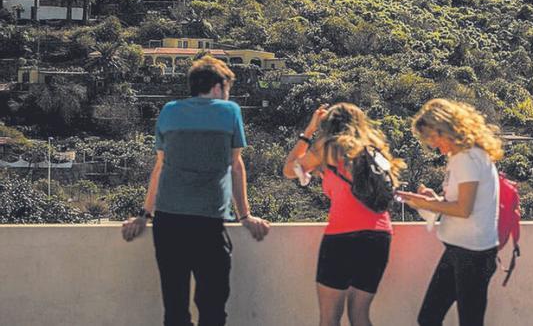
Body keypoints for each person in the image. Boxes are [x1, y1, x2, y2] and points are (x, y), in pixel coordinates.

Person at [121, 55, 271, 326]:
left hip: (168, 220)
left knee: (175, 308)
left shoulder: (169, 111)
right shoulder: (230, 112)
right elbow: (236, 166)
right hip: (207, 222)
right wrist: (245, 216)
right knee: (213, 307)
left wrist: (144, 214)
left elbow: (160, 167)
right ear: (218, 87)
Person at [283, 103, 405, 326]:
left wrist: (309, 131)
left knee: (330, 318)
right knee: (359, 315)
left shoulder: (327, 147)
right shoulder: (374, 149)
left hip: (343, 236)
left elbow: (289, 170)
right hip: (379, 236)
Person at [398, 98, 503, 326]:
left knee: (439, 319)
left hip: (470, 254)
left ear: (445, 128)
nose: (432, 144)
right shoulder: (468, 155)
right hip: (464, 250)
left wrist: (424, 204)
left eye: (433, 137)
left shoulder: (465, 157)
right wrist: (434, 200)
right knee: (431, 318)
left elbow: (463, 209)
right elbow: (460, 203)